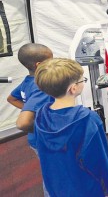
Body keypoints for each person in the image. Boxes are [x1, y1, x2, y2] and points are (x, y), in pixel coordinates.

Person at [34, 58, 108, 196]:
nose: (83, 82)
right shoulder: (88, 119)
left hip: (56, 185)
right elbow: (99, 159)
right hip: (85, 188)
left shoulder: (41, 114)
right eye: (82, 80)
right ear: (73, 88)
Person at [6, 43, 53, 196]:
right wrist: (35, 121)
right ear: (39, 65)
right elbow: (23, 122)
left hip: (35, 140)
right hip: (44, 138)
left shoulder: (26, 82)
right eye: (51, 60)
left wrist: (30, 110)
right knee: (52, 172)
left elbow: (11, 98)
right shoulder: (41, 86)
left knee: (48, 167)